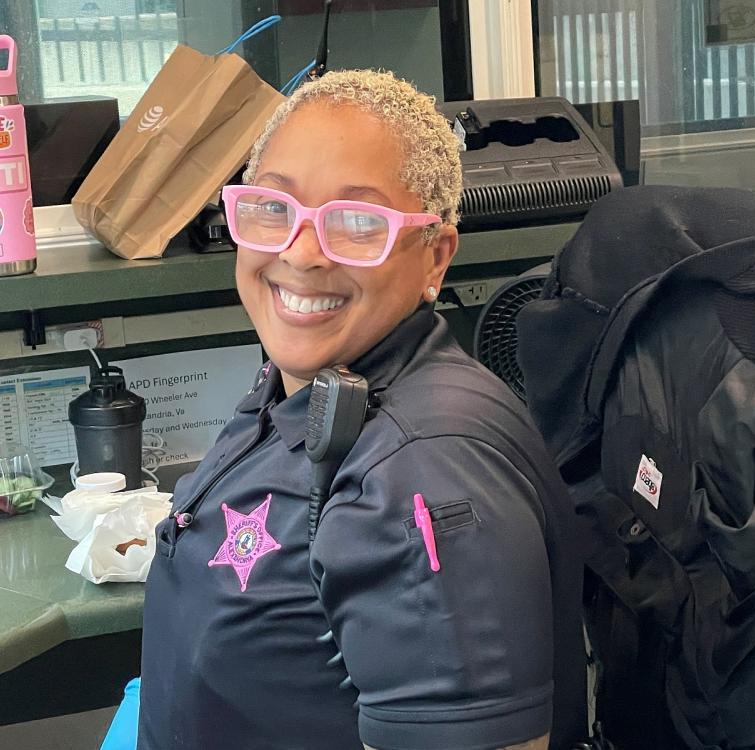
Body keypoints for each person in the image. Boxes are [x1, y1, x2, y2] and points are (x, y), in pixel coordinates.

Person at [137, 69, 586, 750]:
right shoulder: (302, 386)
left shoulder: (425, 472)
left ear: (435, 257)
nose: (301, 252)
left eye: (357, 223)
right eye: (273, 208)